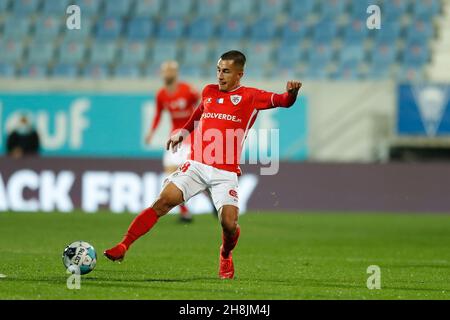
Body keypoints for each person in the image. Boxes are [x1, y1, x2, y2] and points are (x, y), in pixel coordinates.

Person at [104, 51, 302, 279]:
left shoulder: (251, 96)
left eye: (226, 71)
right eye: (218, 70)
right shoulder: (209, 92)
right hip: (197, 164)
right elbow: (199, 113)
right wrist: (183, 131)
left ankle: (225, 254)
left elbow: (283, 101)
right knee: (163, 201)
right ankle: (123, 246)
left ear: (240, 74)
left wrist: (292, 93)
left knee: (229, 224)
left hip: (225, 172)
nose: (220, 75)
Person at [145, 61, 199, 222]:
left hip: (191, 136)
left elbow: (203, 104)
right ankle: (185, 212)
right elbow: (158, 115)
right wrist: (151, 133)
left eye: (170, 71)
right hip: (175, 137)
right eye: (165, 71)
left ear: (176, 73)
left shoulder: (187, 90)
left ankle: (212, 202)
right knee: (169, 174)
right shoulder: (161, 94)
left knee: (191, 174)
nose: (167, 73)